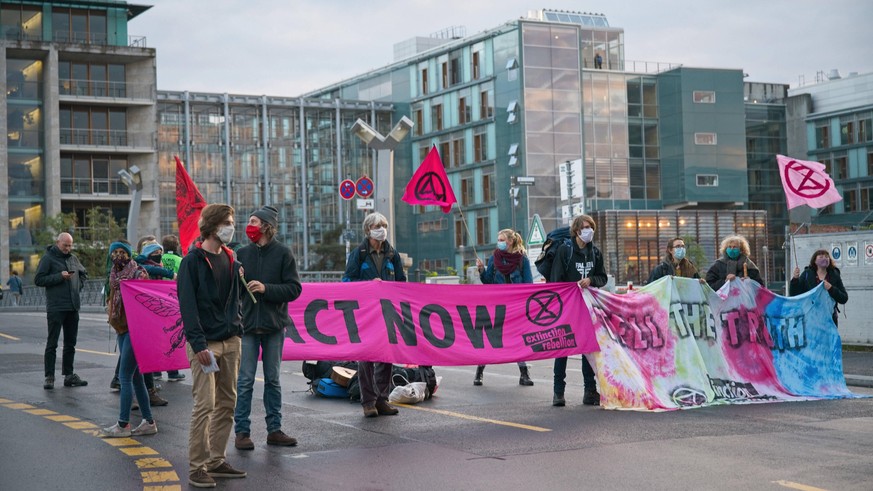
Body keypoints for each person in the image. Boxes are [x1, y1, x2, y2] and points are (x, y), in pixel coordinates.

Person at [178, 203, 247, 488]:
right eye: (228, 222)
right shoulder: (192, 261)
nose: (232, 227)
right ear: (214, 226)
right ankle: (197, 467)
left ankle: (216, 460)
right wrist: (198, 344)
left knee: (227, 404)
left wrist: (237, 327)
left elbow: (234, 300)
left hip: (230, 341)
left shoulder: (232, 259)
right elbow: (188, 307)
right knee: (205, 405)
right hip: (204, 344)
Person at [234, 206, 303, 450]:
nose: (249, 226)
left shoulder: (284, 253)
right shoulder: (241, 253)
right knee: (244, 381)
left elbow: (294, 289)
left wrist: (266, 289)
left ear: (266, 226)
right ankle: (241, 432)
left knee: (273, 380)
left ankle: (274, 430)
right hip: (249, 326)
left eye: (253, 221)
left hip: (274, 327)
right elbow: (235, 293)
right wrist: (236, 278)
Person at [342, 212, 406, 418]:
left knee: (386, 355)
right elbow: (347, 281)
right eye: (378, 226)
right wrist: (369, 287)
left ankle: (382, 399)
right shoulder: (358, 254)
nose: (382, 229)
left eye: (384, 225)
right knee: (366, 357)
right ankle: (368, 401)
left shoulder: (392, 254)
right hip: (365, 313)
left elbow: (401, 282)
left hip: (387, 312)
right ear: (368, 230)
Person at [100, 241, 158, 438]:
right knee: (135, 377)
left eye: (122, 252)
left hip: (136, 329)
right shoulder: (114, 275)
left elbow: (148, 299)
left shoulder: (138, 272)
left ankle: (123, 424)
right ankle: (148, 422)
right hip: (122, 328)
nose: (118, 256)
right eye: (114, 252)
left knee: (124, 376)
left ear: (129, 254)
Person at [550, 214, 607, 407]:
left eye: (591, 227)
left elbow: (602, 277)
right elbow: (555, 280)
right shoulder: (565, 251)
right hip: (567, 307)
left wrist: (591, 280)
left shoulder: (595, 252)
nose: (588, 230)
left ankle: (590, 391)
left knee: (587, 347)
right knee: (562, 347)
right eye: (585, 227)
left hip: (587, 307)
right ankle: (558, 392)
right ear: (576, 230)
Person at [474, 229, 534, 386]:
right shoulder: (495, 258)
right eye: (498, 239)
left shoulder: (522, 260)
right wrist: (482, 270)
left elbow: (528, 285)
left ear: (510, 241)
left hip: (515, 307)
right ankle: (479, 372)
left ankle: (524, 373)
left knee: (518, 339)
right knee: (491, 338)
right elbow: (488, 281)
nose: (499, 242)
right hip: (497, 305)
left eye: (502, 239)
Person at [34, 232, 89, 390]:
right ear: (58, 242)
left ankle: (69, 375)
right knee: (52, 343)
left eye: (70, 245)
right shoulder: (48, 258)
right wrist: (59, 276)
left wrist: (78, 286)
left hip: (73, 306)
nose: (68, 248)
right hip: (56, 307)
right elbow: (38, 279)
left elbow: (83, 273)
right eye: (65, 245)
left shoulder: (73, 258)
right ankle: (49, 377)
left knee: (70, 343)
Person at [789, 249, 848, 325]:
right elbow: (794, 295)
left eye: (827, 257)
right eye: (821, 257)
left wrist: (831, 289)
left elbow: (844, 298)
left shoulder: (834, 275)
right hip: (811, 320)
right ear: (814, 261)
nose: (824, 259)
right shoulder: (807, 274)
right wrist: (795, 279)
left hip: (830, 321)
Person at [158, 234, 186, 382]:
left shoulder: (158, 259)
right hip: (174, 302)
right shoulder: (181, 261)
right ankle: (173, 372)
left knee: (158, 336)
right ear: (177, 247)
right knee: (172, 337)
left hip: (158, 302)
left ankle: (155, 371)